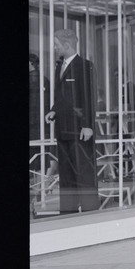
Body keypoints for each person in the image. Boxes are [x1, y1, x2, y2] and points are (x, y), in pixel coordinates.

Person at [44, 28, 99, 213]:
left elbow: (89, 97)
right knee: (66, 172)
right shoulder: (60, 66)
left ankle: (90, 211)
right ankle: (68, 212)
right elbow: (62, 96)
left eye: (56, 45)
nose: (54, 47)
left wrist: (88, 125)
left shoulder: (85, 66)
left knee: (83, 171)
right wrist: (53, 110)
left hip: (80, 130)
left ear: (67, 45)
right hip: (63, 129)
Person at [29, 52, 50, 140]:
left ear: (30, 63)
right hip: (43, 118)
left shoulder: (31, 78)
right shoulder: (45, 79)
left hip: (31, 119)